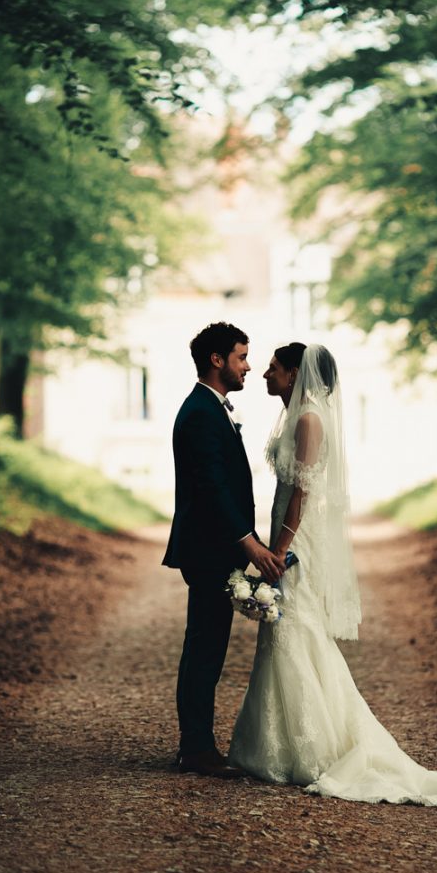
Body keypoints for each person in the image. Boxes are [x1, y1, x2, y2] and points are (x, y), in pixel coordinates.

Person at [229, 342, 437, 808]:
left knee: (297, 627)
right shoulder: (298, 416)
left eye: (273, 367)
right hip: (286, 531)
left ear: (295, 374)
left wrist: (280, 550)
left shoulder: (310, 419)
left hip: (298, 540)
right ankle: (277, 743)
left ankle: (311, 748)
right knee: (290, 628)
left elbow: (303, 493)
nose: (264, 373)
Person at [163, 322, 284, 779]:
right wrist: (248, 543)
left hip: (215, 548)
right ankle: (195, 748)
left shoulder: (210, 409)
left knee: (207, 645)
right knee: (204, 647)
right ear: (217, 360)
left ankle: (196, 744)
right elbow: (211, 488)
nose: (248, 366)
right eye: (241, 357)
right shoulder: (199, 413)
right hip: (209, 549)